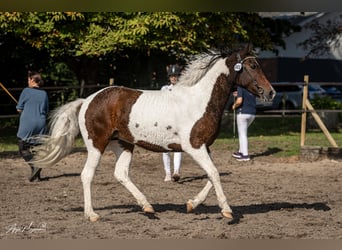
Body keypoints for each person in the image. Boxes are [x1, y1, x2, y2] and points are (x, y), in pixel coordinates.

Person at [16, 71, 49, 182]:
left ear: (33, 80)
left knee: (23, 147)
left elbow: (19, 108)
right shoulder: (44, 93)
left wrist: (21, 108)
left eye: (28, 80)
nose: (28, 82)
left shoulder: (26, 91)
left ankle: (35, 166)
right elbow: (46, 110)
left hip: (28, 122)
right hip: (41, 122)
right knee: (35, 148)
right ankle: (37, 175)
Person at [161, 64, 183, 182]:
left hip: (179, 121)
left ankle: (176, 171)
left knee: (178, 147)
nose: (174, 78)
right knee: (165, 148)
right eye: (172, 76)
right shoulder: (164, 89)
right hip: (166, 121)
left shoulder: (183, 89)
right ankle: (167, 173)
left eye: (176, 76)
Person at [231, 86, 256, 161]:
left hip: (243, 113)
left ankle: (245, 155)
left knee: (242, 134)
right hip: (252, 114)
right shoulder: (252, 88)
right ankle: (241, 152)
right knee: (243, 133)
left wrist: (234, 106)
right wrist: (238, 94)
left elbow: (239, 101)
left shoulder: (240, 87)